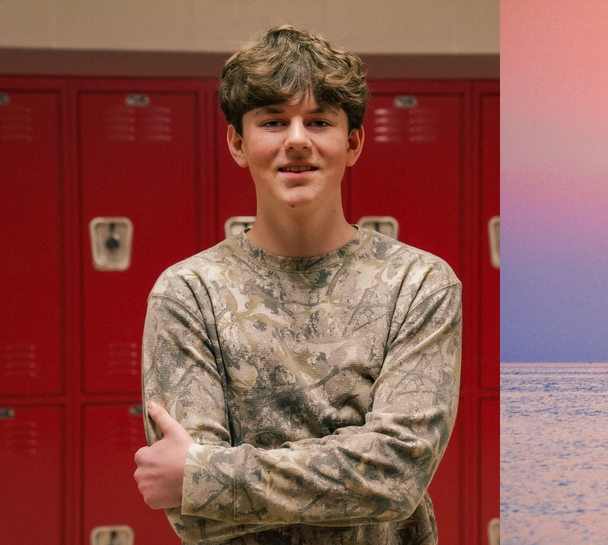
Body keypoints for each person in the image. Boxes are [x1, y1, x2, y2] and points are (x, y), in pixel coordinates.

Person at [132, 25, 462, 545]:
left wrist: (203, 475)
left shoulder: (417, 285)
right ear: (238, 143)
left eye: (319, 121)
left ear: (352, 142)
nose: (297, 140)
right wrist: (349, 479)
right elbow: (192, 516)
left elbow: (397, 476)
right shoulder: (188, 294)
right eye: (273, 121)